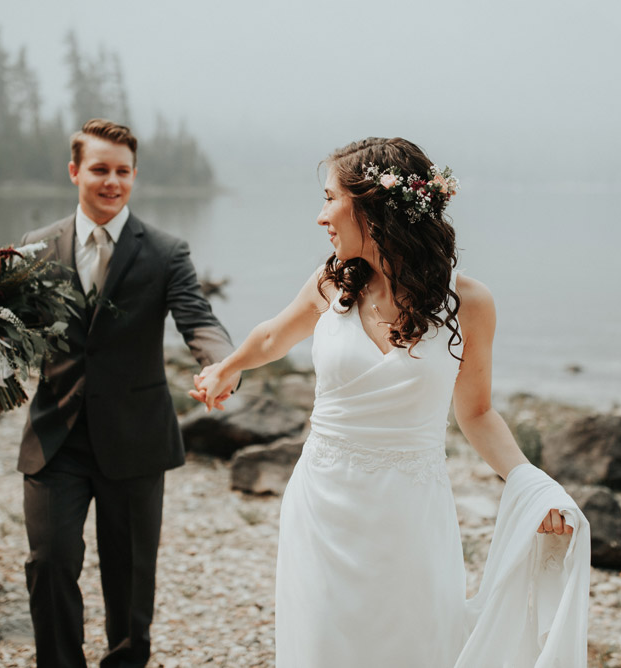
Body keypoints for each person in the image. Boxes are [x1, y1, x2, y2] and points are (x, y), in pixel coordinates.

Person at [191, 137, 590, 667]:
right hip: (321, 505)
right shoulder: (331, 283)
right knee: (319, 646)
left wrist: (531, 483)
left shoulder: (468, 304)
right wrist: (227, 367)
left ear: (373, 210)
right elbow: (272, 338)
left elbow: (475, 413)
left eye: (329, 198)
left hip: (410, 515)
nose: (319, 217)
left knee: (413, 646)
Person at [18, 118, 237, 668]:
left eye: (122, 171)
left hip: (136, 440)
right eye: (99, 169)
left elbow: (199, 319)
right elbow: (8, 324)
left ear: (134, 176)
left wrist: (222, 365)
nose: (111, 181)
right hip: (56, 437)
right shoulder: (35, 247)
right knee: (49, 563)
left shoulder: (165, 251)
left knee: (131, 580)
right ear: (75, 172)